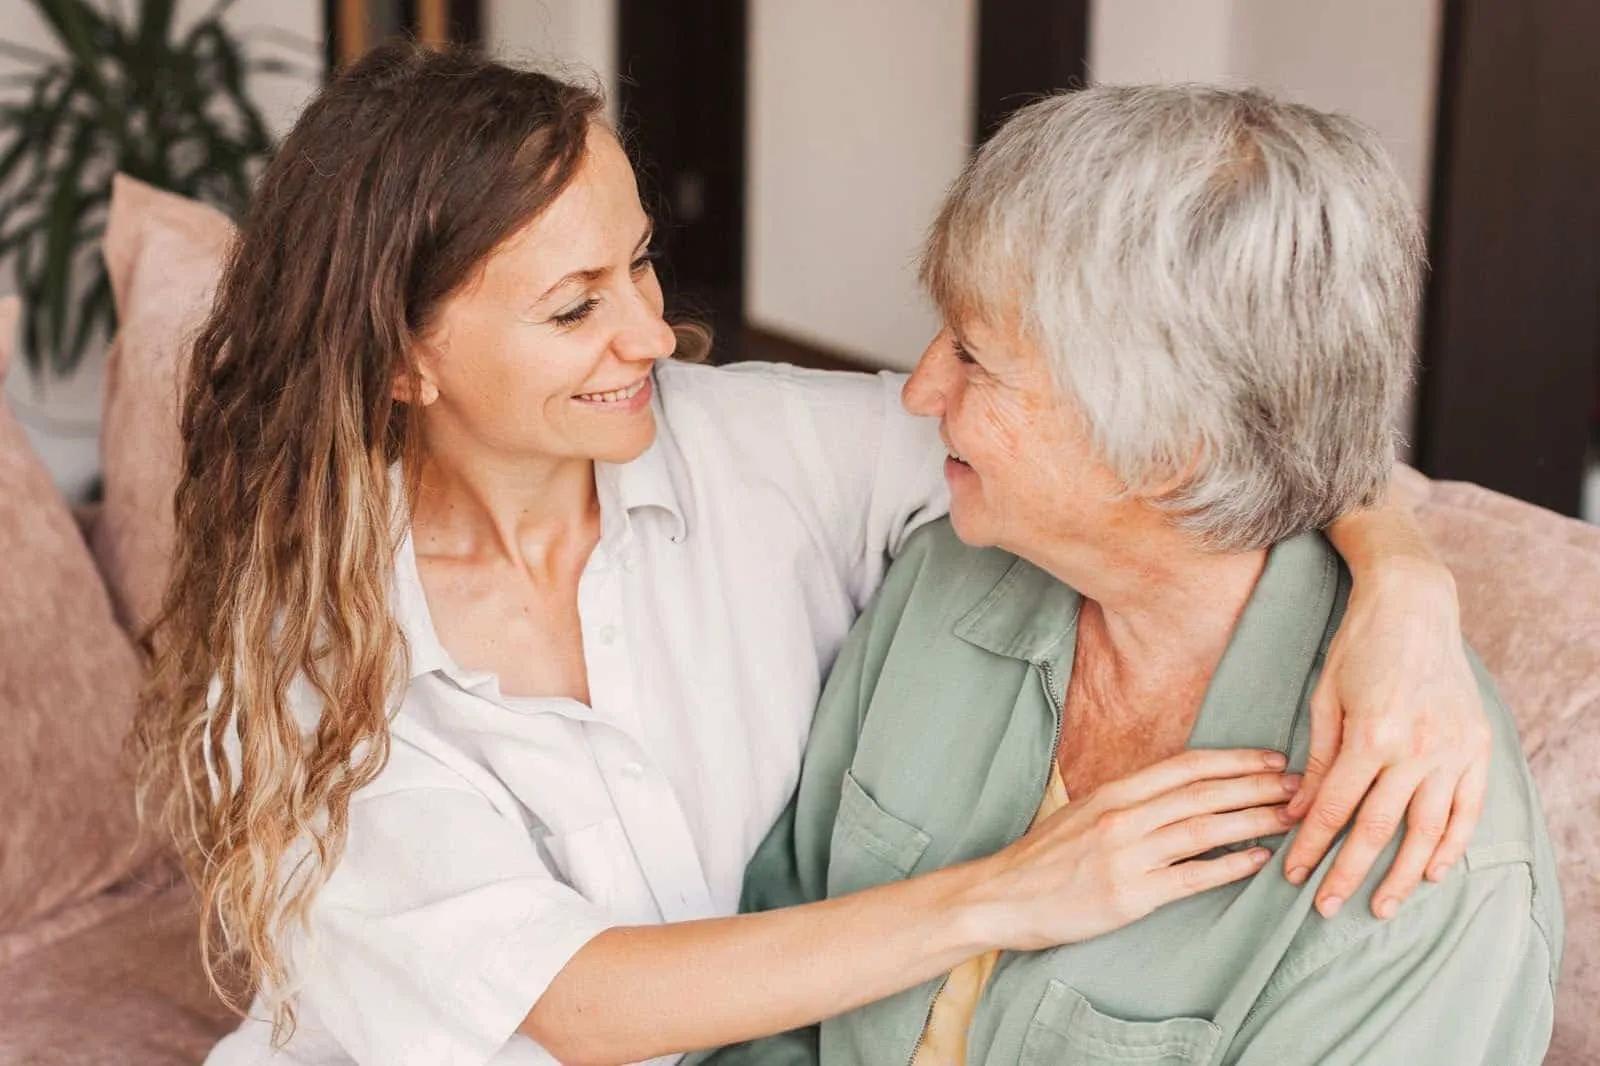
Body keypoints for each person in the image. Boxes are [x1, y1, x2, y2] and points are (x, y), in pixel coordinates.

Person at [133, 47, 1491, 1066]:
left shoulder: (755, 449)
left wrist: (1403, 586)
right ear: (402, 355)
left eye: (643, 265)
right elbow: (575, 999)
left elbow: (1201, 432)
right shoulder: (297, 645)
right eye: (574, 308)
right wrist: (1005, 894)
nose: (653, 337)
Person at [703, 86, 1561, 1066]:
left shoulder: (1415, 848)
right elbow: (771, 1000)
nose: (920, 389)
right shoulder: (951, 575)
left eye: (976, 358)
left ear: (1168, 449)